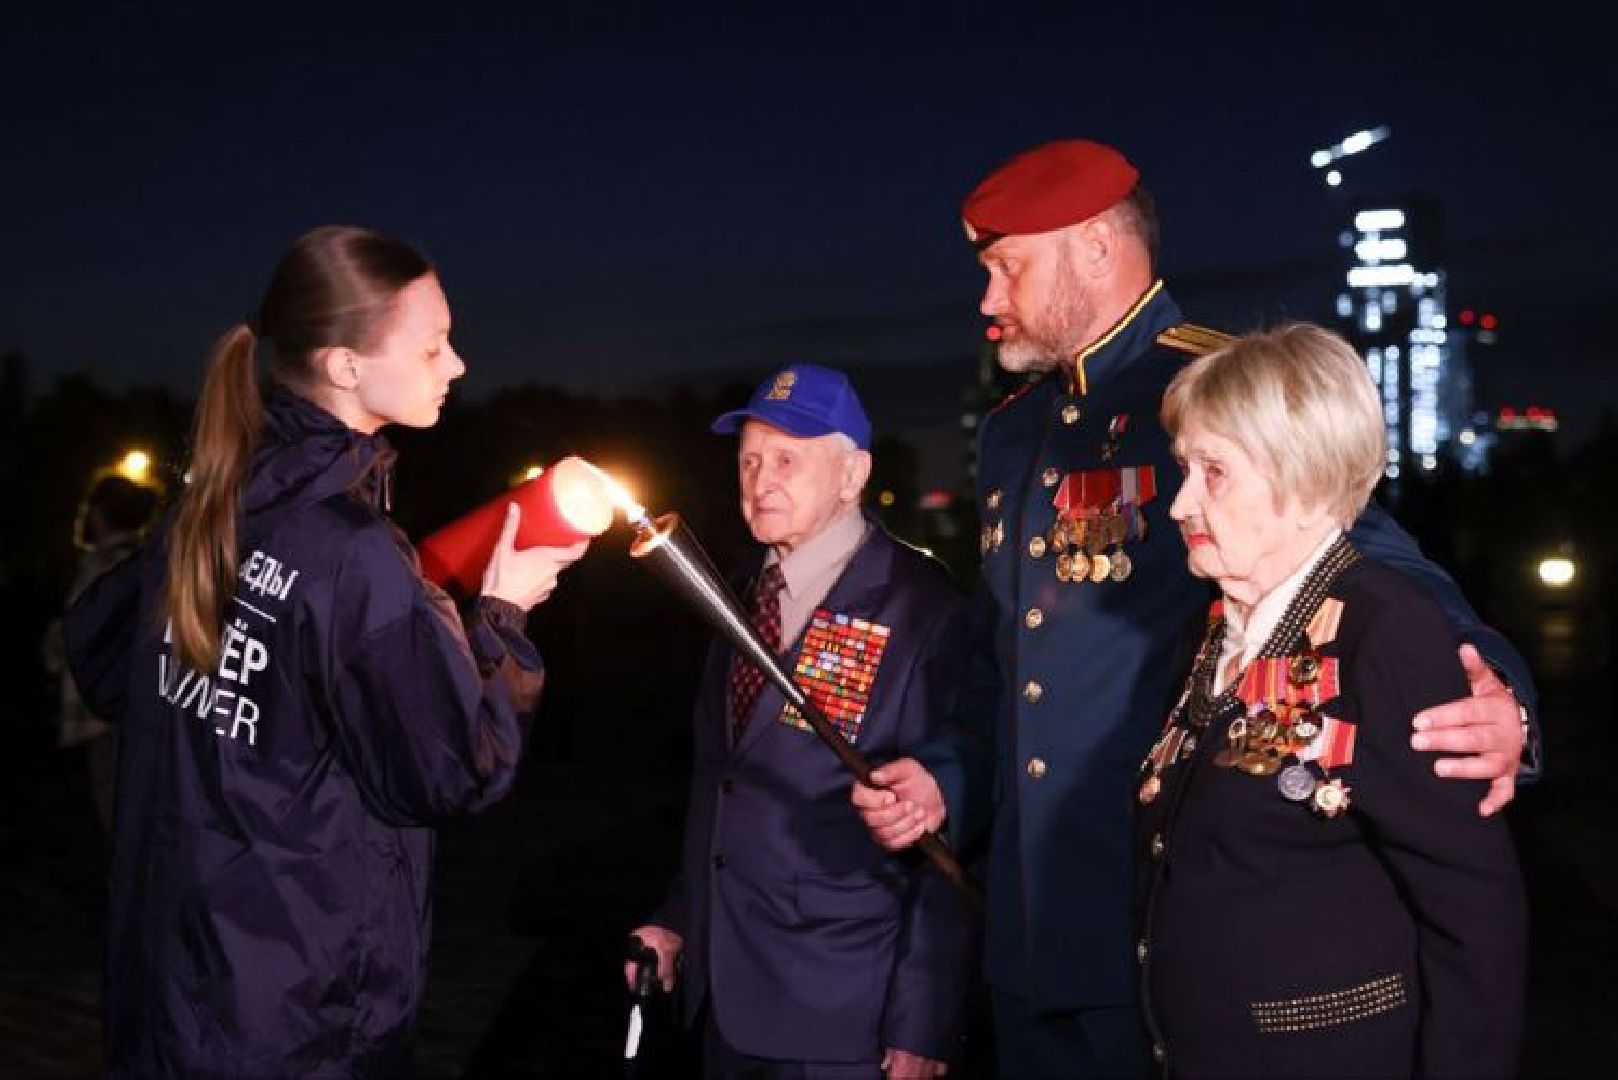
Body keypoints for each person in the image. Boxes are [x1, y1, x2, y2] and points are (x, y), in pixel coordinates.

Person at [851, 139, 1538, 1077]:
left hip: (1164, 936)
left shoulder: (1217, 393)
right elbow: (1004, 668)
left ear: (1094, 248)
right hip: (1026, 933)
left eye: (1005, 268)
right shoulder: (1012, 435)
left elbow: (1362, 561)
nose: (987, 300)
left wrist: (1495, 691)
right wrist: (944, 781)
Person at [63, 225, 587, 1077]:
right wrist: (502, 614)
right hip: (300, 1015)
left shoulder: (217, 502)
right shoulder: (352, 549)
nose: (456, 367)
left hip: (173, 989)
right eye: (433, 347)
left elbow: (101, 655)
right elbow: (451, 770)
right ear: (346, 366)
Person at [1136, 322, 1525, 1074]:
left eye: (1213, 472)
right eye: (1185, 468)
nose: (1180, 503)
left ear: (1304, 481)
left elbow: (1474, 908)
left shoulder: (1386, 629)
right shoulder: (1214, 630)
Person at [627, 364, 977, 1079]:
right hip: (725, 996)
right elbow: (719, 786)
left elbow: (953, 825)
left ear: (853, 475)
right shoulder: (739, 593)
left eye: (788, 459)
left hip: (846, 1012)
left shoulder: (920, 607)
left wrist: (925, 1014)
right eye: (749, 460)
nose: (761, 480)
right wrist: (677, 917)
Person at [42, 473, 161, 832]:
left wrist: (53, 650)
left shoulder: (104, 566)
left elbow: (77, 630)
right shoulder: (151, 558)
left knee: (116, 809)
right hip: (143, 702)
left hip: (104, 708)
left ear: (99, 514)